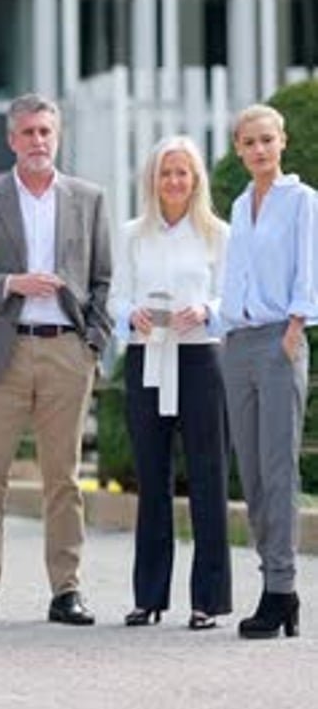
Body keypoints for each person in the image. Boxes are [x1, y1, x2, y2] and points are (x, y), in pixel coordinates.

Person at [0, 92, 112, 627]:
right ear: (11, 139)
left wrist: (94, 342)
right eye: (28, 133)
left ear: (56, 135)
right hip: (3, 351)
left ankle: (67, 590)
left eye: (46, 131)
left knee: (63, 478)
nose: (38, 141)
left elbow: (103, 280)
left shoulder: (88, 198)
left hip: (67, 351)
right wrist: (12, 283)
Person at [110, 135, 232, 630]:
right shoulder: (132, 234)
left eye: (183, 172)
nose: (175, 181)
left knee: (208, 478)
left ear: (196, 179)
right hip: (147, 359)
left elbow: (232, 297)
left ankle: (208, 599)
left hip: (201, 360)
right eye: (166, 172)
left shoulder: (218, 234)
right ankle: (149, 596)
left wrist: (207, 310)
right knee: (152, 479)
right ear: (152, 180)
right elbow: (115, 298)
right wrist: (129, 315)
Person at [220, 104, 318, 639]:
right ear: (238, 149)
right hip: (238, 344)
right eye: (249, 142)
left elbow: (311, 267)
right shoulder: (238, 206)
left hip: (281, 340)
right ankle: (275, 583)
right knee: (252, 474)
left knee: (279, 470)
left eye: (267, 140)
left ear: (283, 142)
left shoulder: (303, 202)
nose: (259, 149)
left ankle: (280, 591)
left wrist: (295, 328)